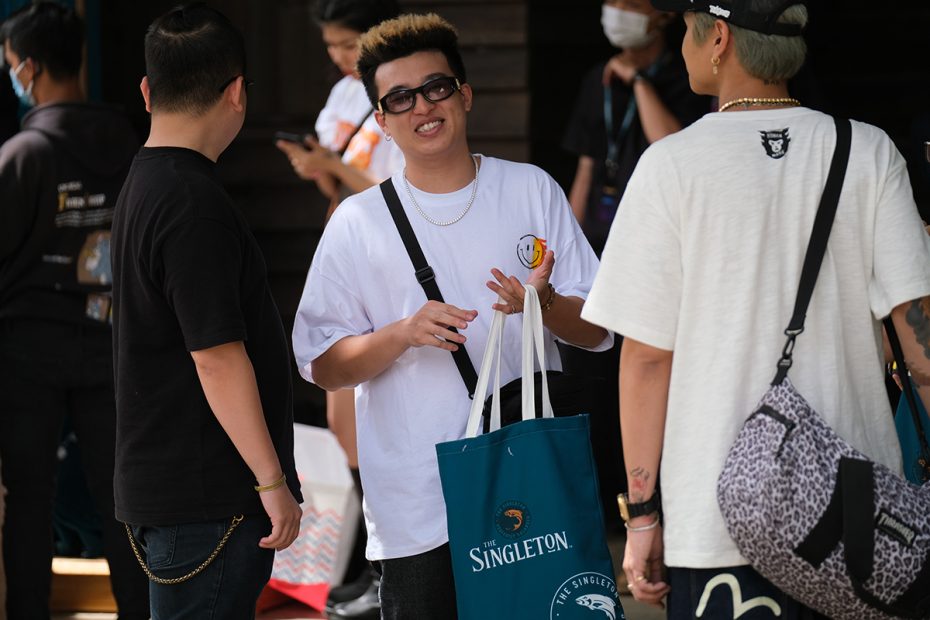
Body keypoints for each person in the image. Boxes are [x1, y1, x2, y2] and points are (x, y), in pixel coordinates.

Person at [581, 0, 930, 617]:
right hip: (858, 522)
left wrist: (642, 518)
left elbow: (645, 360)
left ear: (718, 38)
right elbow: (920, 346)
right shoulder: (869, 152)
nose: (680, 46)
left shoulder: (669, 165)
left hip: (716, 521)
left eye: (685, 31)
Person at [292, 13, 612, 619]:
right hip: (416, 504)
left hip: (527, 485)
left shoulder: (530, 189)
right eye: (400, 98)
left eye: (436, 87)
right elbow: (322, 364)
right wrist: (400, 334)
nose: (422, 107)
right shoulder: (357, 222)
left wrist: (543, 305)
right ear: (381, 120)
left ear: (464, 94)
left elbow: (599, 329)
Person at [110, 4, 302, 618]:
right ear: (238, 92)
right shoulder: (192, 202)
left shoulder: (144, 182)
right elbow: (216, 357)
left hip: (175, 490)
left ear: (147, 92)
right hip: (207, 498)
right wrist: (272, 482)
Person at [0, 3, 149, 618]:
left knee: (28, 498)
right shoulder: (135, 144)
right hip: (112, 343)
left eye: (10, 64)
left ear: (29, 68)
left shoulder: (21, 155)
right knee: (122, 496)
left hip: (26, 353)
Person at [276, 4, 403, 616]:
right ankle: (376, 565)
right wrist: (320, 169)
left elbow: (399, 194)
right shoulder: (345, 94)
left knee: (378, 414)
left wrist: (333, 167)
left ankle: (389, 569)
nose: (339, 56)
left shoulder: (401, 91)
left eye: (347, 43)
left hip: (392, 264)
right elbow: (340, 186)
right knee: (342, 418)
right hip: (348, 258)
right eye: (330, 45)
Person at [564, 0, 709, 258]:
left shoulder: (688, 78)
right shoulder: (598, 79)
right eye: (612, 2)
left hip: (656, 238)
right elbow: (585, 169)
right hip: (599, 240)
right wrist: (569, 243)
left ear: (664, 15)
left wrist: (639, 81)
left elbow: (669, 142)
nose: (618, 12)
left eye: (632, 5)